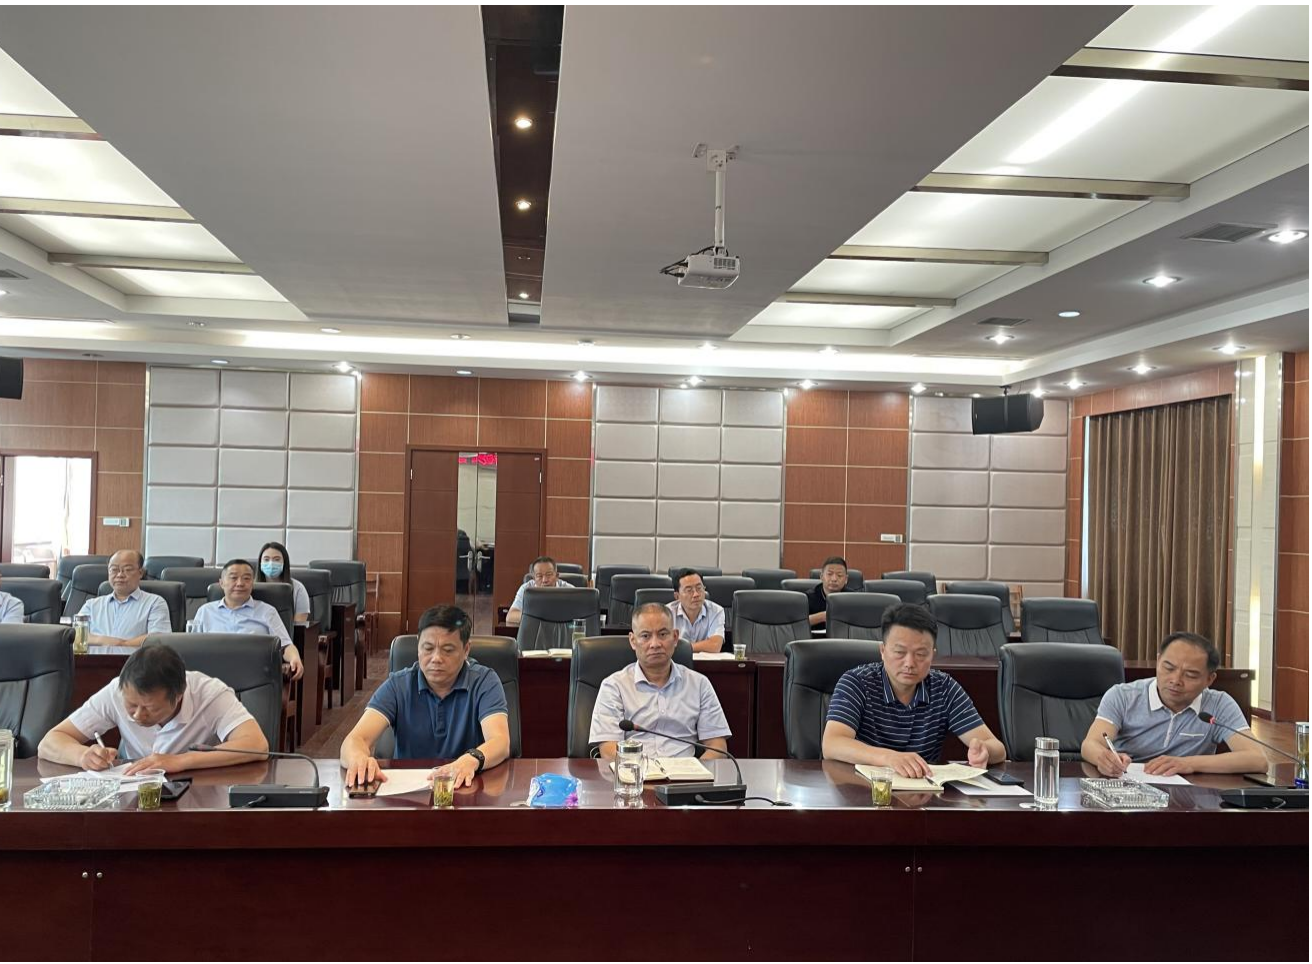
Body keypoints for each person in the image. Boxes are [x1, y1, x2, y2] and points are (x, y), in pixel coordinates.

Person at [821, 603, 1005, 776]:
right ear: (883, 651)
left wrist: (985, 751)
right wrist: (889, 758)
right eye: (900, 652)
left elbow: (997, 748)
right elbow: (832, 743)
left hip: (925, 791)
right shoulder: (857, 682)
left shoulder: (944, 688)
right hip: (864, 788)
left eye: (921, 654)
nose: (909, 663)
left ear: (932, 655)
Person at [341, 604, 510, 790]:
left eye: (448, 650)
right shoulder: (399, 685)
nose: (436, 658)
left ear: (466, 650)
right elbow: (356, 739)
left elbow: (500, 741)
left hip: (466, 787)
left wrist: (471, 759)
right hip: (406, 793)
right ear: (418, 647)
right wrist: (358, 758)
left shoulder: (484, 681)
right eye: (428, 648)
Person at [37, 643, 269, 774]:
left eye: (150, 708)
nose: (138, 715)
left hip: (197, 795)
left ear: (179, 695)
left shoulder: (210, 693)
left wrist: (180, 761)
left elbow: (256, 745)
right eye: (131, 706)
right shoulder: (117, 690)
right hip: (133, 796)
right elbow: (50, 742)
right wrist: (82, 756)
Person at [1081, 631, 1268, 777]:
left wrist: (1188, 763)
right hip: (1127, 788)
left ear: (1209, 679)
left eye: (1191, 675)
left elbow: (1258, 759)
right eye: (1168, 668)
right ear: (1158, 661)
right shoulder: (1123, 696)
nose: (1176, 680)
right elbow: (1090, 744)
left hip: (1189, 799)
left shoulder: (1218, 704)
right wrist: (1103, 759)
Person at [590, 602, 731, 761]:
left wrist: (696, 771)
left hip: (685, 774)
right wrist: (642, 771)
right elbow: (608, 750)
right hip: (633, 773)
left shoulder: (699, 684)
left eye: (663, 634)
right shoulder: (614, 686)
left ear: (675, 637)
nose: (655, 644)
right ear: (633, 641)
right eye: (645, 636)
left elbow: (718, 747)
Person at [192, 559, 304, 680]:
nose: (240, 583)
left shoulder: (267, 611)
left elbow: (285, 645)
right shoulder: (205, 611)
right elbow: (193, 648)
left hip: (255, 677)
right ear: (221, 583)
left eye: (246, 578)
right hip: (213, 676)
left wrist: (294, 658)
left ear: (252, 583)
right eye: (233, 578)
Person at [75, 549, 171, 648]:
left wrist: (121, 644)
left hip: (135, 658)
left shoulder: (155, 603)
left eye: (127, 569)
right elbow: (76, 635)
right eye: (114, 570)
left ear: (140, 573)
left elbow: (158, 639)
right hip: (94, 658)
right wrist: (103, 640)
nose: (120, 575)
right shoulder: (91, 605)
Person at [666, 568, 726, 654]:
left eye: (699, 588)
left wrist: (680, 648)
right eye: (689, 590)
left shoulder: (716, 611)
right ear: (677, 596)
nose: (696, 594)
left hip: (705, 661)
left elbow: (715, 645)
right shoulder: (667, 613)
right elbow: (665, 645)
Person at [506, 556, 574, 626]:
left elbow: (578, 616)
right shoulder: (526, 589)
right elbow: (511, 616)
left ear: (557, 576)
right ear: (534, 578)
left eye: (549, 574)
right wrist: (542, 616)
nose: (544, 580)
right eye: (539, 576)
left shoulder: (569, 590)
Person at [255, 540, 310, 624]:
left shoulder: (298, 588)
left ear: (284, 563)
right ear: (260, 563)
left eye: (276, 559)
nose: (271, 563)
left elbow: (299, 625)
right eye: (266, 559)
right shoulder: (251, 587)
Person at [808, 556, 854, 626]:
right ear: (821, 577)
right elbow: (797, 623)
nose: (834, 579)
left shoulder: (853, 598)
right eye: (829, 574)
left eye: (839, 575)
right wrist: (822, 616)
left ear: (846, 579)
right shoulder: (808, 598)